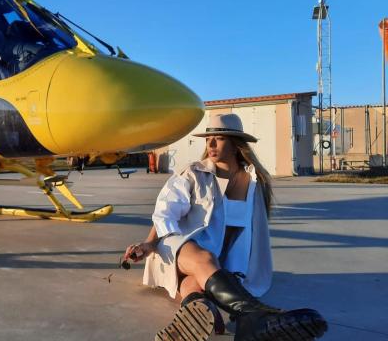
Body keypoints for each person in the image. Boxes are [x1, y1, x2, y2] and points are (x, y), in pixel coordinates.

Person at [123, 114, 327, 341]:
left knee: (195, 284)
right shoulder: (193, 173)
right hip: (178, 245)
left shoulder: (253, 181)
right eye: (208, 139)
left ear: (235, 144)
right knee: (203, 258)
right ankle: (252, 317)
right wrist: (149, 243)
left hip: (219, 261)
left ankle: (198, 310)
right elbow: (165, 213)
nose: (210, 145)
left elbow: (250, 231)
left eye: (218, 139)